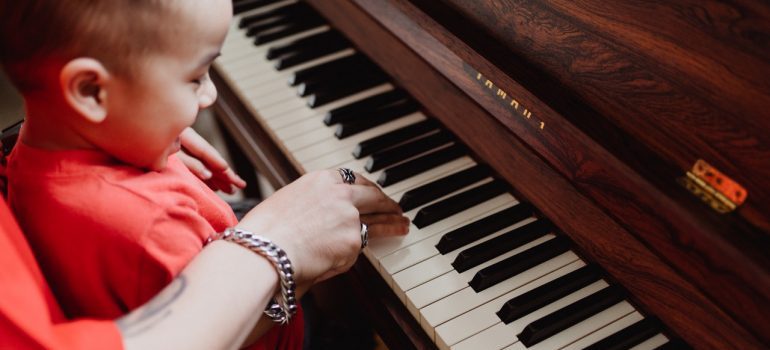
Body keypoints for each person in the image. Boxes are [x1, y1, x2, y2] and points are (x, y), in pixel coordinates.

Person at [0, 0, 409, 348]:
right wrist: (306, 265)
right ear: (91, 92)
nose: (210, 95)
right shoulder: (153, 223)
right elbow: (237, 321)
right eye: (196, 77)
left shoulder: (26, 156)